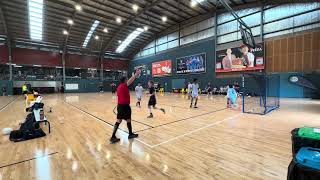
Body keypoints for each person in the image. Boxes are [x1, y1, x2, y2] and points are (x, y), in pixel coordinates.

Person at [110, 69, 141, 144]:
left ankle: (113, 136)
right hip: (125, 106)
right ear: (124, 80)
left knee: (118, 121)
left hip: (120, 106)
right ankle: (130, 134)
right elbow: (131, 79)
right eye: (126, 79)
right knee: (128, 120)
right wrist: (136, 74)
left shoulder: (119, 87)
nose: (127, 80)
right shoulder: (124, 85)